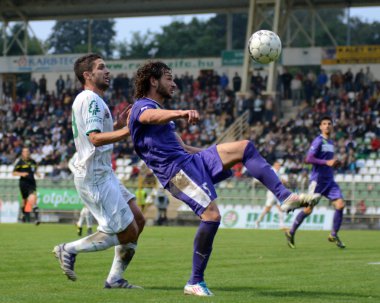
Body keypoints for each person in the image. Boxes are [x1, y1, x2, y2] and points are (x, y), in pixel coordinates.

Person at [128, 61, 320, 297]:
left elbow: (183, 147)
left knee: (244, 148)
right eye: (169, 78)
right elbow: (149, 117)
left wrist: (217, 155)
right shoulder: (141, 107)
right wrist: (180, 113)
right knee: (212, 216)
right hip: (176, 173)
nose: (174, 83)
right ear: (154, 81)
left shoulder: (162, 117)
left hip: (191, 161)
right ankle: (195, 281)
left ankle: (286, 196)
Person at [52, 53, 145, 289]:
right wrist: (130, 130)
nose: (108, 71)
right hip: (95, 176)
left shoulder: (92, 100)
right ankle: (69, 249)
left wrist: (118, 126)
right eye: (101, 67)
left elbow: (95, 133)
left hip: (104, 172)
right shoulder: (90, 100)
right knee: (128, 232)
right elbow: (95, 139)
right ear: (87, 75)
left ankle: (114, 279)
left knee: (138, 220)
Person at [285, 116, 346, 249]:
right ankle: (291, 232)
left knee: (340, 205)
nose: (327, 126)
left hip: (329, 181)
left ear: (332, 126)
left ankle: (333, 234)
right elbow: (309, 158)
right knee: (308, 209)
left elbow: (328, 161)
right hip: (318, 181)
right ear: (320, 126)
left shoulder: (330, 142)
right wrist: (326, 162)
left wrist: (334, 163)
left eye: (329, 123)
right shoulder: (318, 141)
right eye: (324, 124)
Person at [68, 153, 94, 236]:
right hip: (82, 181)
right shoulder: (79, 153)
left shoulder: (92, 151)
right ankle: (89, 228)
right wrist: (76, 172)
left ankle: (80, 223)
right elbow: (70, 163)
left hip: (92, 180)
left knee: (88, 205)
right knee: (89, 204)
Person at [12, 147, 40, 225]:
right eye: (24, 151)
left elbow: (35, 169)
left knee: (32, 198)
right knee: (24, 201)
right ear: (22, 153)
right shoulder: (20, 162)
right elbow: (14, 173)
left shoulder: (33, 161)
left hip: (31, 183)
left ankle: (37, 219)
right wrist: (22, 174)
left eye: (27, 151)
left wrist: (38, 174)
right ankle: (24, 215)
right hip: (23, 183)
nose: (26, 153)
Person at [255, 160, 286, 229]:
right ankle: (258, 221)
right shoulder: (272, 171)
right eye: (278, 165)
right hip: (271, 193)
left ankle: (282, 225)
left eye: (279, 165)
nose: (279, 167)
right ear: (275, 165)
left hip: (277, 193)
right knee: (267, 209)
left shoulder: (278, 173)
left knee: (280, 208)